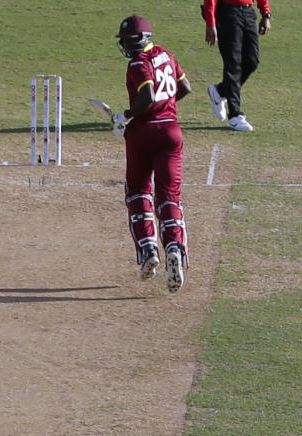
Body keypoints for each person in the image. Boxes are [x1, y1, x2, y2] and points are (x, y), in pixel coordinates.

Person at [113, 15, 192, 293]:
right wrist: (166, 105)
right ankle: (174, 247)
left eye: (129, 41)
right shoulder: (167, 55)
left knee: (138, 192)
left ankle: (148, 249)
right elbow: (185, 88)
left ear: (140, 40)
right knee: (169, 197)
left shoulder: (137, 63)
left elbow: (145, 98)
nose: (127, 46)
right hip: (171, 133)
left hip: (142, 134)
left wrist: (127, 115)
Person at [202, 0, 272, 132]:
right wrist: (210, 23)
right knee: (233, 65)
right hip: (228, 13)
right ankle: (235, 116)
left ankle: (220, 91)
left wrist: (266, 14)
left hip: (248, 12)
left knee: (252, 61)